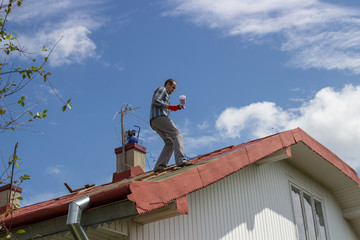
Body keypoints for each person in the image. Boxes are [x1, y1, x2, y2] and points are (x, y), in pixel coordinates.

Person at [150, 79, 193, 173]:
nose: (173, 90)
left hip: (154, 121)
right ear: (168, 84)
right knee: (177, 134)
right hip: (159, 117)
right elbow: (156, 101)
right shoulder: (162, 89)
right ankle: (181, 160)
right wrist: (170, 106)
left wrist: (174, 107)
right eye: (173, 87)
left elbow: (162, 105)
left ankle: (159, 166)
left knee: (169, 142)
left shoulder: (166, 95)